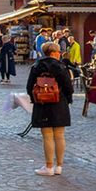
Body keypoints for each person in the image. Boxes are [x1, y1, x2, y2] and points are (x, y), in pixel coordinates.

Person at [27, 41, 74, 176]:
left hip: (42, 104)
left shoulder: (36, 66)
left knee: (47, 135)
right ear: (54, 53)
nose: (60, 54)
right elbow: (68, 87)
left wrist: (34, 99)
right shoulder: (60, 67)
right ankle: (59, 166)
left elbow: (29, 86)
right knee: (59, 135)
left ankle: (48, 166)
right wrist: (68, 99)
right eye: (58, 52)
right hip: (59, 103)